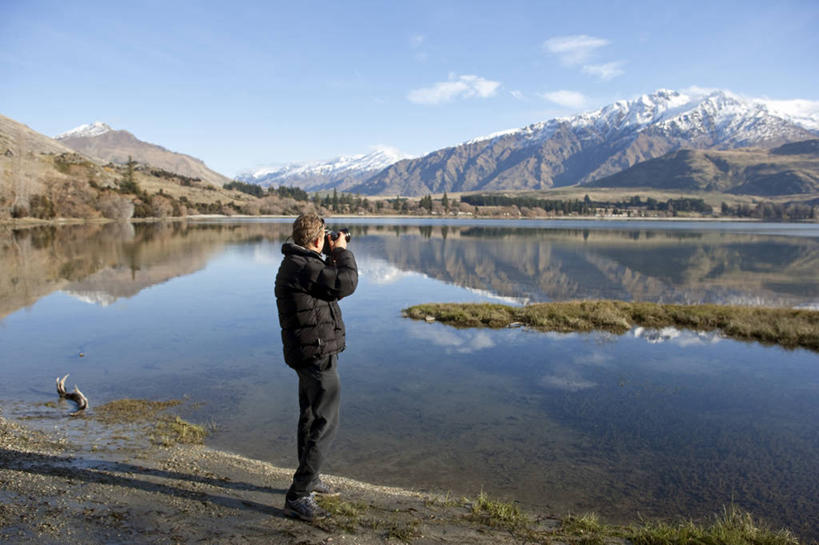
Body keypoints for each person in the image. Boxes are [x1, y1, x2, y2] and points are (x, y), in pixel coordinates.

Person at [274, 213, 358, 521]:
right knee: (327, 421)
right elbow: (345, 283)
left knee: (310, 416)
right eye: (325, 237)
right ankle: (298, 495)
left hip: (309, 352)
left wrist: (331, 252)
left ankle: (308, 479)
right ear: (316, 239)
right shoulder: (303, 266)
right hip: (315, 355)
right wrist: (342, 251)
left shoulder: (300, 263)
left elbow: (327, 285)